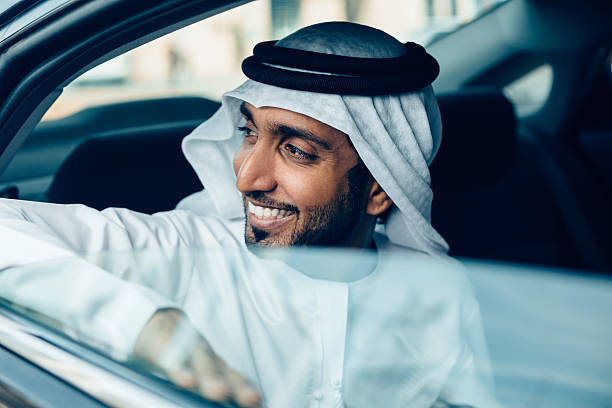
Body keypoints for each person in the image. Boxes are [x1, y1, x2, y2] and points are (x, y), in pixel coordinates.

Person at [0, 22, 499, 408]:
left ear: (379, 191)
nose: (247, 178)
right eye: (250, 133)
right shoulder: (184, 253)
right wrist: (147, 323)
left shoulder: (439, 290)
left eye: (297, 151)